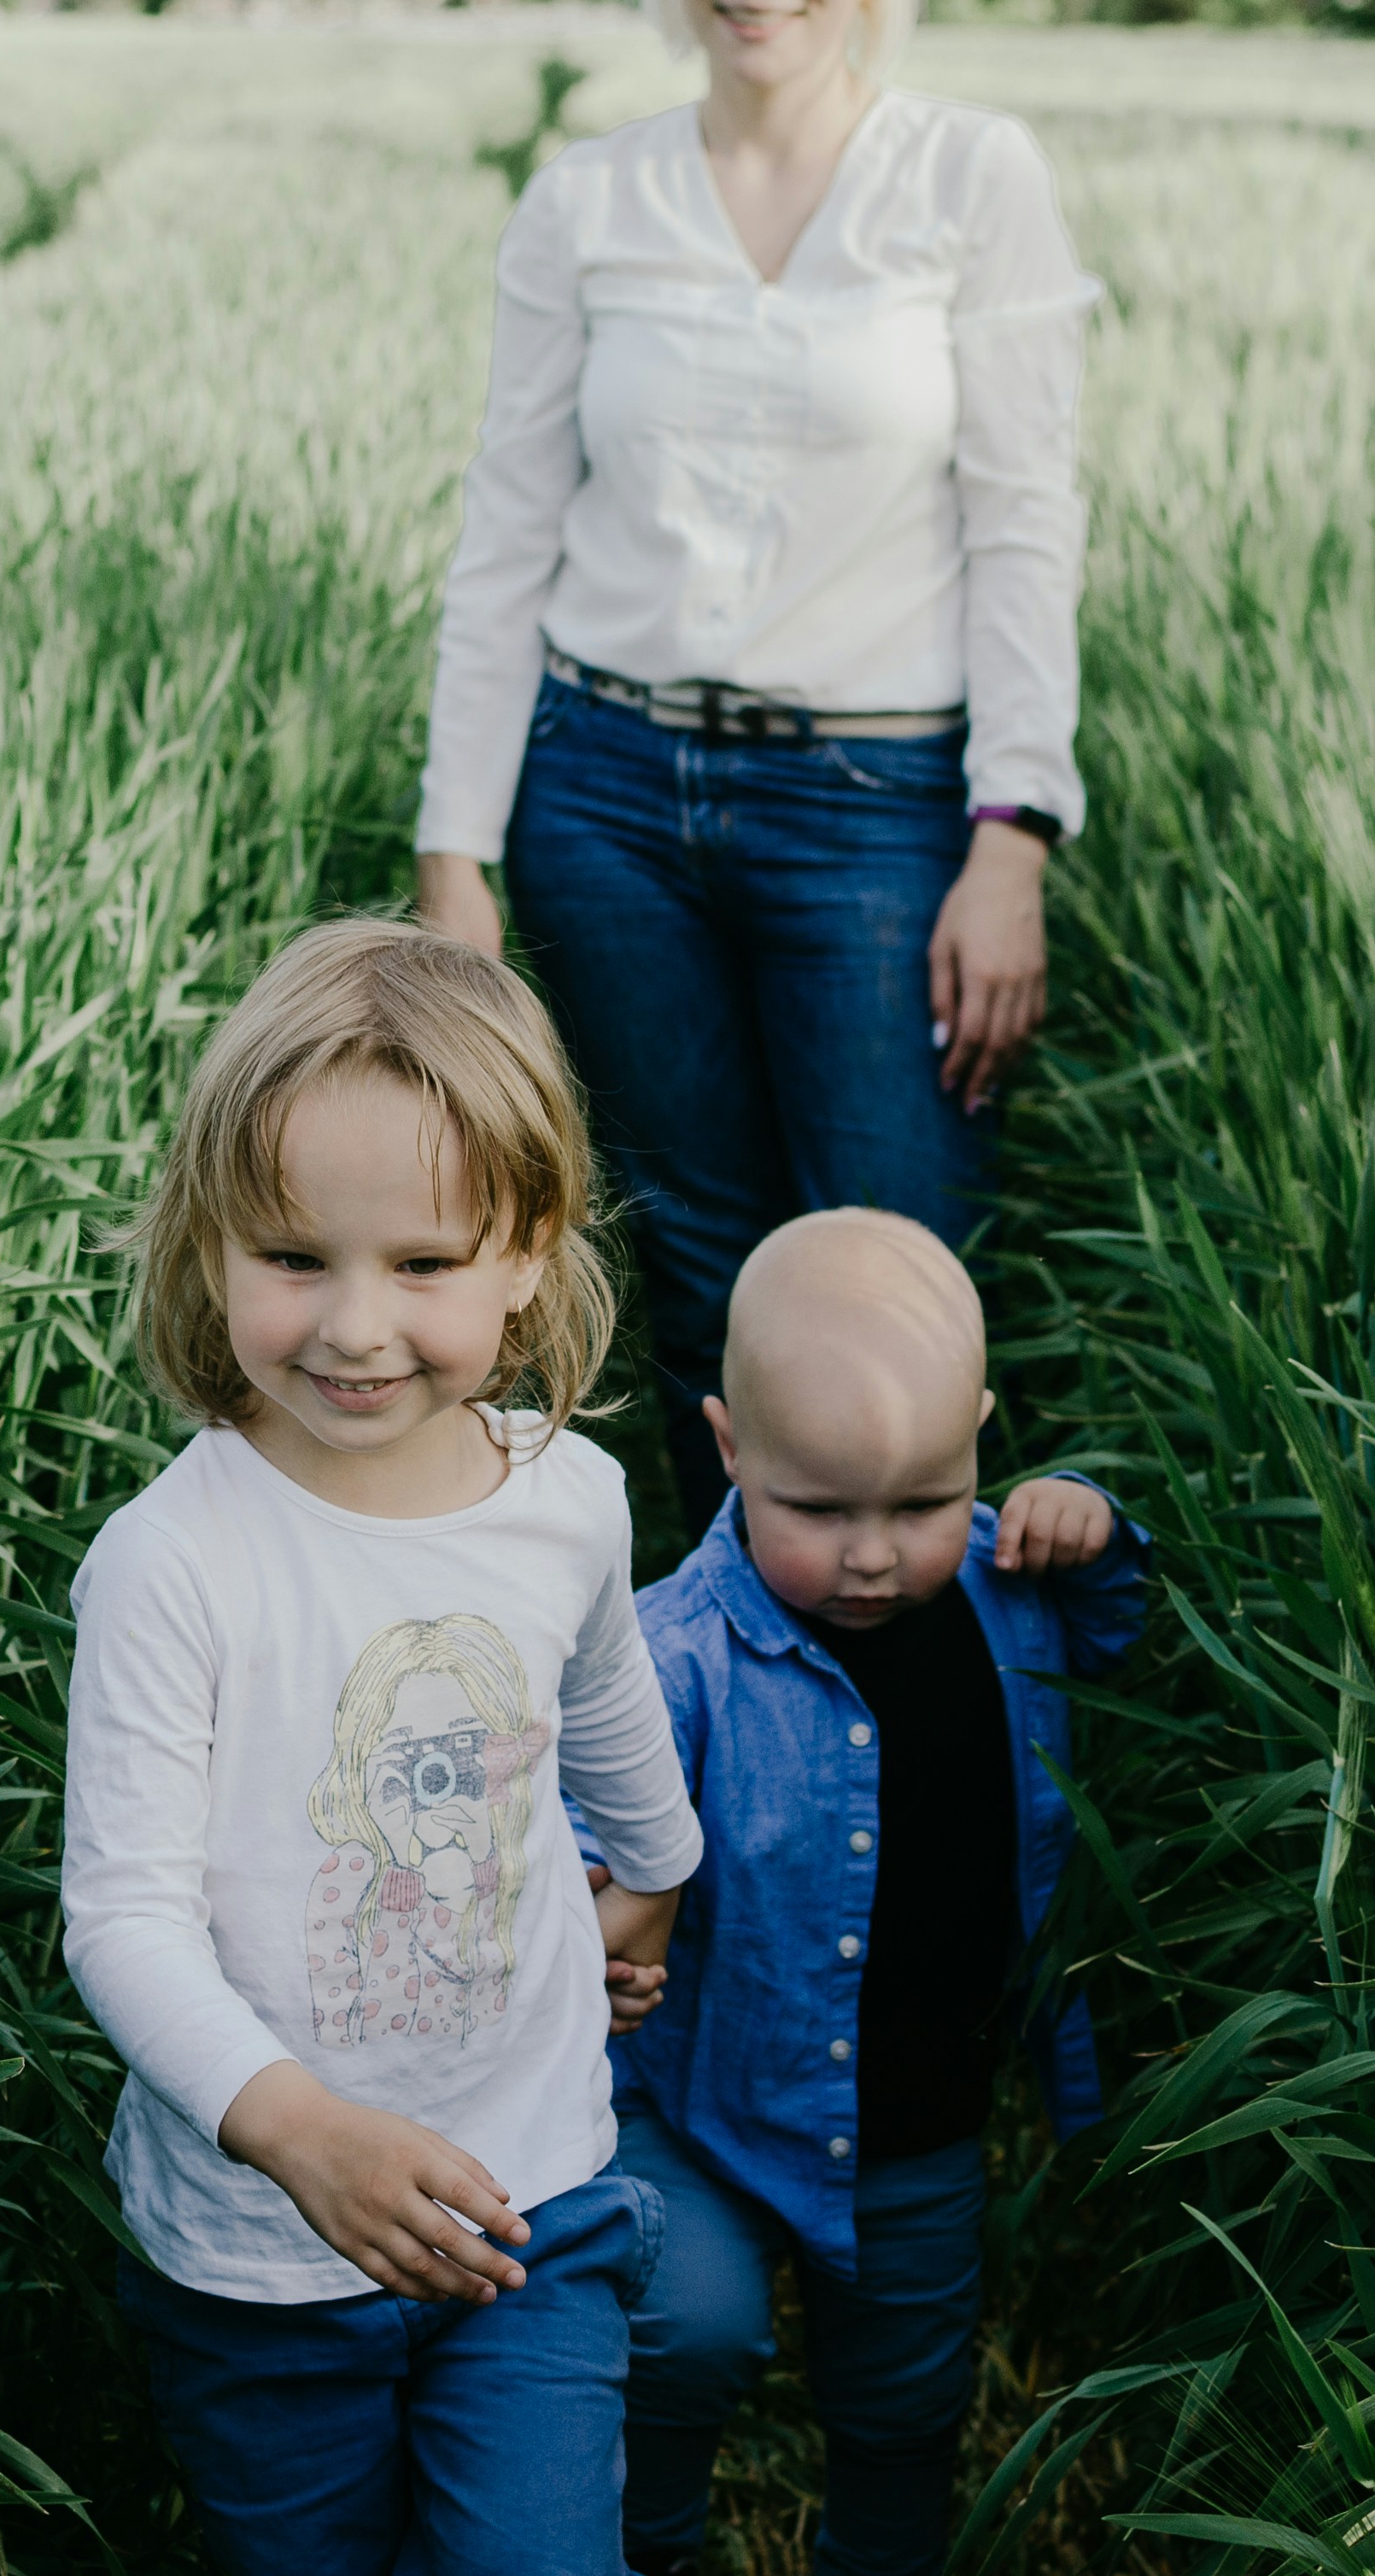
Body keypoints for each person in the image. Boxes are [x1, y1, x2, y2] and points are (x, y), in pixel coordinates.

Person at [61, 917, 708, 2576]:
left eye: (422, 1265)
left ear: (527, 1250)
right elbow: (122, 1921)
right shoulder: (175, 1562)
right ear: (207, 1246)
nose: (354, 1328)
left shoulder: (560, 1495)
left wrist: (646, 1882)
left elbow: (610, 1716)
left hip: (528, 2199)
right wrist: (301, 2137)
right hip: (257, 2258)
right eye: (292, 1256)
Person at [410, 0, 1101, 1518]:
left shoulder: (972, 177)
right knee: (702, 1261)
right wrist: (453, 854)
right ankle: (733, 1690)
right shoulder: (588, 200)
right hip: (601, 803)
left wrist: (1015, 837)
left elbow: (1026, 523)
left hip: (880, 809)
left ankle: (930, 1700)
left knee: (903, 1270)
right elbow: (506, 531)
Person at [590, 1210, 1145, 2576]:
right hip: (707, 2092)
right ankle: (644, 2550)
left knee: (907, 2399)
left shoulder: (1009, 1593)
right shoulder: (675, 1656)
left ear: (976, 1434)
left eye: (918, 1501)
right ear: (728, 1448)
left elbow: (1119, 1637)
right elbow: (590, 1834)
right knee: (687, 2338)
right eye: (819, 1510)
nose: (877, 1555)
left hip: (920, 2109)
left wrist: (1085, 1515)